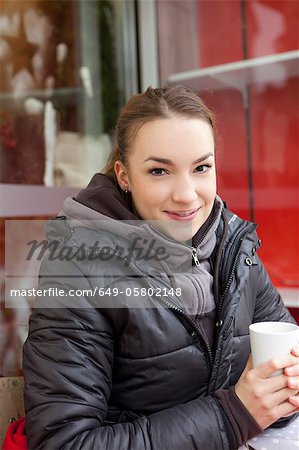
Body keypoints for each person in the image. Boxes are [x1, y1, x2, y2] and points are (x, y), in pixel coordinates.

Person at [23, 85, 299, 450]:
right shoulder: (77, 271)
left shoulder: (234, 248)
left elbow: (276, 392)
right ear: (124, 176)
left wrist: (284, 389)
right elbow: (64, 442)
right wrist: (234, 414)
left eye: (201, 167)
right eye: (159, 171)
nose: (186, 194)